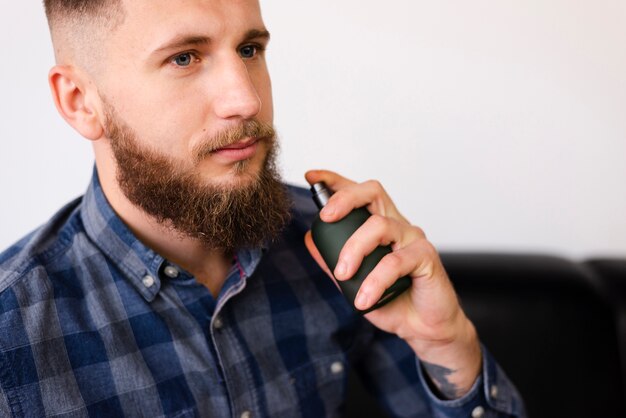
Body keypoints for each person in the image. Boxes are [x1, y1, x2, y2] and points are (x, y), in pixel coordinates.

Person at [0, 1, 525, 417]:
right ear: (79, 100)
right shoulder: (12, 334)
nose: (246, 100)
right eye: (185, 57)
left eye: (250, 49)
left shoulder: (333, 249)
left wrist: (446, 342)